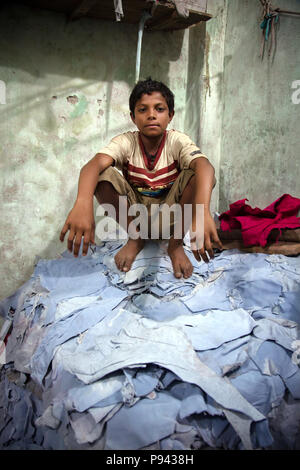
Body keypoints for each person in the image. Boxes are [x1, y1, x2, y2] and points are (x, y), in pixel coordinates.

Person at [59, 77, 222, 279]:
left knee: (196, 174)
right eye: (143, 109)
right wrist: (82, 203)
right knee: (101, 174)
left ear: (170, 115)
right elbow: (92, 166)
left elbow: (205, 167)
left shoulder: (176, 141)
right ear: (133, 117)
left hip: (171, 218)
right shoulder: (126, 142)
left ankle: (175, 246)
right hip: (138, 218)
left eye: (159, 109)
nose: (151, 115)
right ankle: (136, 239)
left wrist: (203, 211)